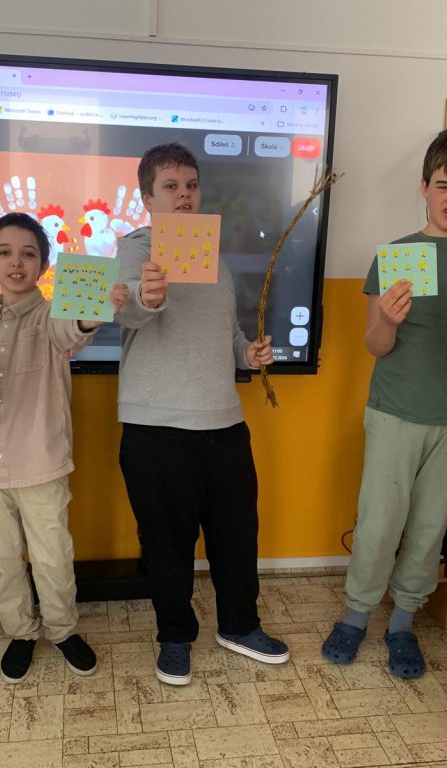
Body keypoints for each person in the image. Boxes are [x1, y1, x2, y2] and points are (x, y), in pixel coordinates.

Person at [322, 128, 447, 677]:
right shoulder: (397, 255)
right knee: (379, 522)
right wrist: (387, 319)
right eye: (443, 185)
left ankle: (403, 622)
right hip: (395, 411)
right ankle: (356, 615)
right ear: (425, 186)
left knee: (431, 524)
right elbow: (375, 346)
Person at [114, 142, 288, 686]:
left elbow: (227, 333)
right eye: (170, 187)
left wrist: (248, 354)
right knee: (166, 546)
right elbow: (129, 312)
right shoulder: (134, 252)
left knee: (238, 538)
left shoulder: (218, 262)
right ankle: (174, 637)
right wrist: (148, 296)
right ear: (148, 198)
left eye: (191, 185)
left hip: (225, 423)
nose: (184, 196)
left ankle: (239, 625)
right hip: (156, 429)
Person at [0, 212, 128, 683]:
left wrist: (94, 311)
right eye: (5, 252)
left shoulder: (53, 316)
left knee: (52, 558)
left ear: (44, 265)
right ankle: (21, 632)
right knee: (3, 560)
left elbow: (75, 329)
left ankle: (63, 630)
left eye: (28, 254)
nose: (16, 262)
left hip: (41, 463)